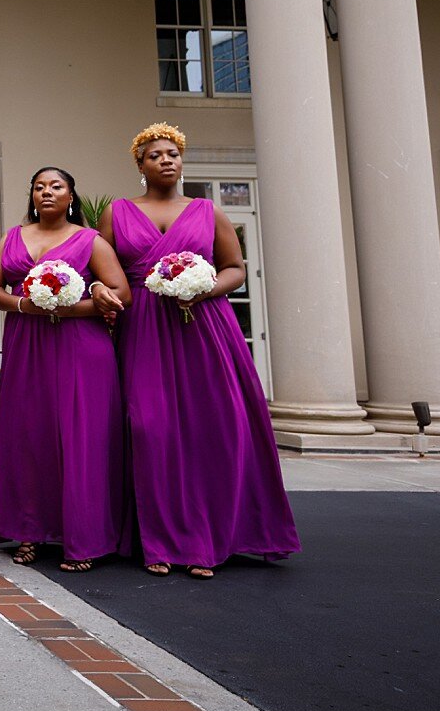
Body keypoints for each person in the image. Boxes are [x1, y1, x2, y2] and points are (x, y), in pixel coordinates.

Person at [97, 123, 298, 578]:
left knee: (212, 426)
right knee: (150, 427)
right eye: (155, 155)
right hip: (145, 329)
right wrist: (97, 287)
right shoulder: (117, 213)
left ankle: (206, 540)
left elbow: (234, 269)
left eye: (173, 153)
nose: (166, 160)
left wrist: (204, 289)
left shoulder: (208, 211)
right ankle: (161, 539)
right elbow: (99, 266)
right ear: (140, 165)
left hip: (205, 328)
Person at [0, 167, 129, 572]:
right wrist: (23, 305)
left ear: (71, 196)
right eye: (40, 187)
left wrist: (71, 306)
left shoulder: (90, 240)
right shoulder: (11, 237)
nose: (47, 192)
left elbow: (122, 294)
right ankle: (29, 530)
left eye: (56, 186)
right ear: (31, 196)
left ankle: (84, 537)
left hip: (80, 348)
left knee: (79, 437)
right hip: (27, 346)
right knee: (30, 435)